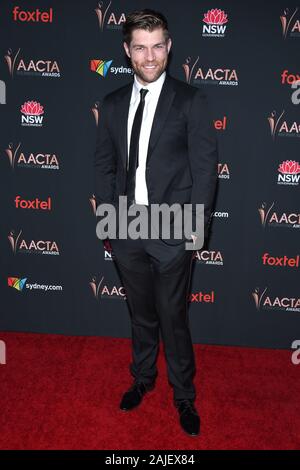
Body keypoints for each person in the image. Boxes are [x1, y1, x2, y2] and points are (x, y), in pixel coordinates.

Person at [94, 9, 218, 436]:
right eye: (141, 47)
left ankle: (184, 395)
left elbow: (206, 170)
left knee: (173, 317)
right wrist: (109, 222)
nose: (150, 56)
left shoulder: (190, 100)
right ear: (127, 51)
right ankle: (142, 378)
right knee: (140, 314)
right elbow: (104, 167)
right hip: (126, 228)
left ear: (169, 47)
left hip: (172, 227)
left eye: (158, 46)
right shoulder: (111, 104)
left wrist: (195, 227)